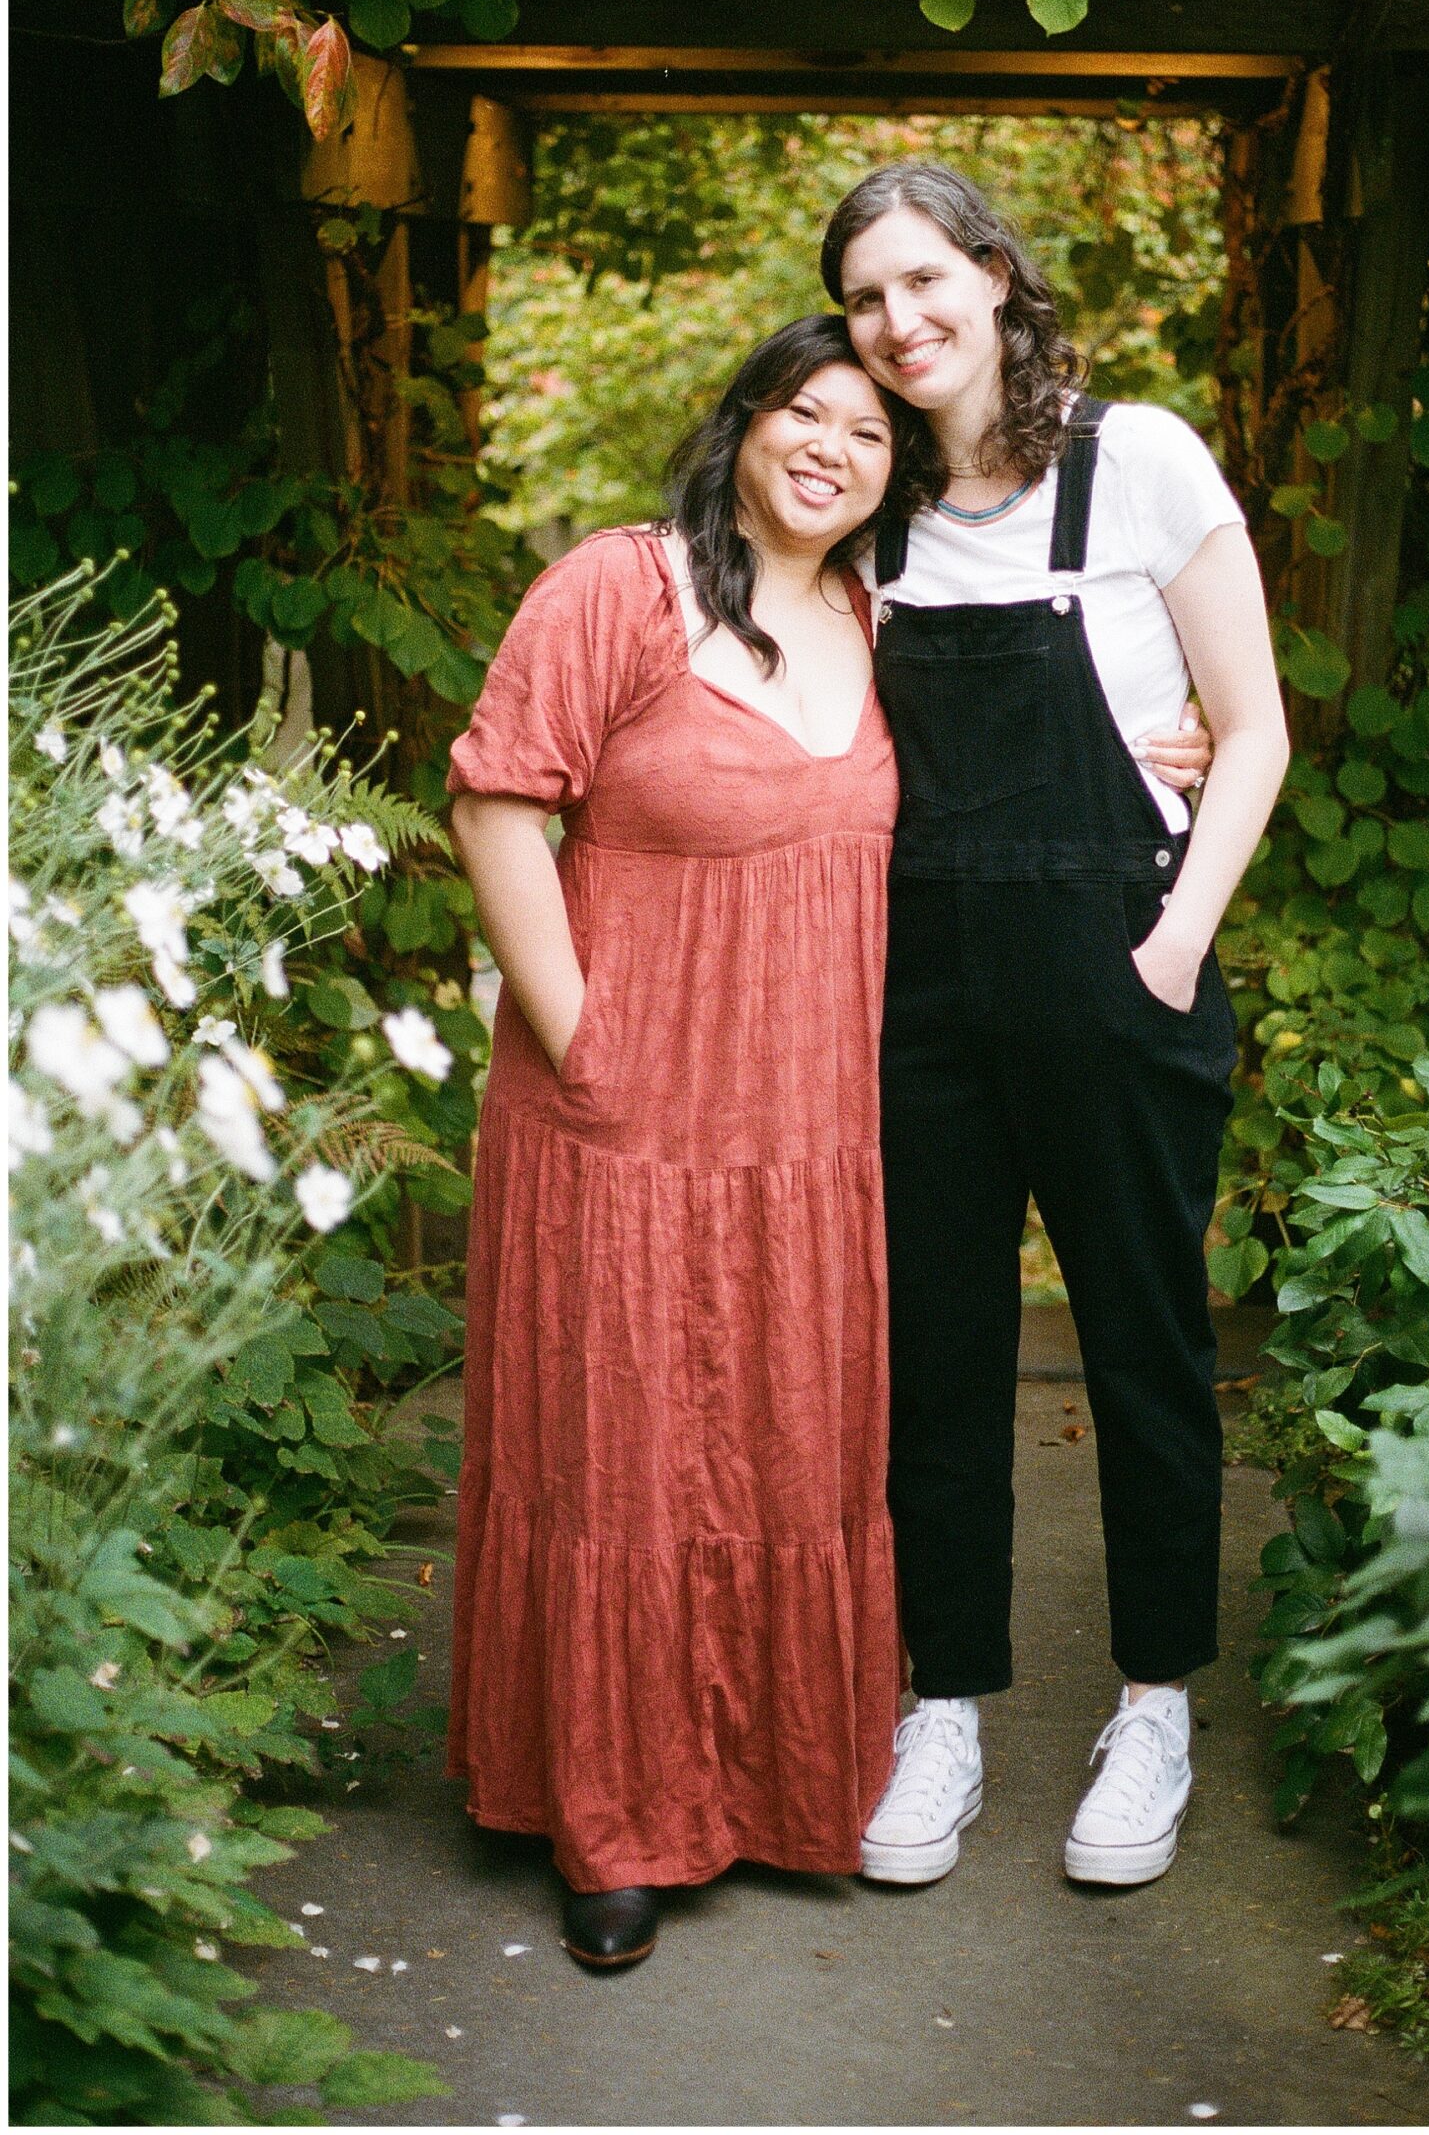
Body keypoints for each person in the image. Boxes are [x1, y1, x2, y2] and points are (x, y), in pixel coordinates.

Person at [819, 162, 1290, 1892]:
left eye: (928, 280)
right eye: (869, 298)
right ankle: (943, 1705)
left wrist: (1171, 948)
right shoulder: (868, 499)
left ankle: (1154, 1701)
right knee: (933, 1355)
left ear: (999, 278)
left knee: (1146, 1346)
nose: (901, 322)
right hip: (917, 990)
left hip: (1113, 967)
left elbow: (1250, 734)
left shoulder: (1139, 460)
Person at [444, 315, 924, 1971]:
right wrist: (584, 1041)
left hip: (803, 1128)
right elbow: (500, 802)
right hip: (623, 1120)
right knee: (622, 1458)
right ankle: (612, 1825)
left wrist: (1192, 742)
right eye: (806, 411)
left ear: (891, 479)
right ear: (740, 425)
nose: (832, 450)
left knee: (786, 1444)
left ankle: (772, 1786)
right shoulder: (619, 588)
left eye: (870, 436)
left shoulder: (876, 618)